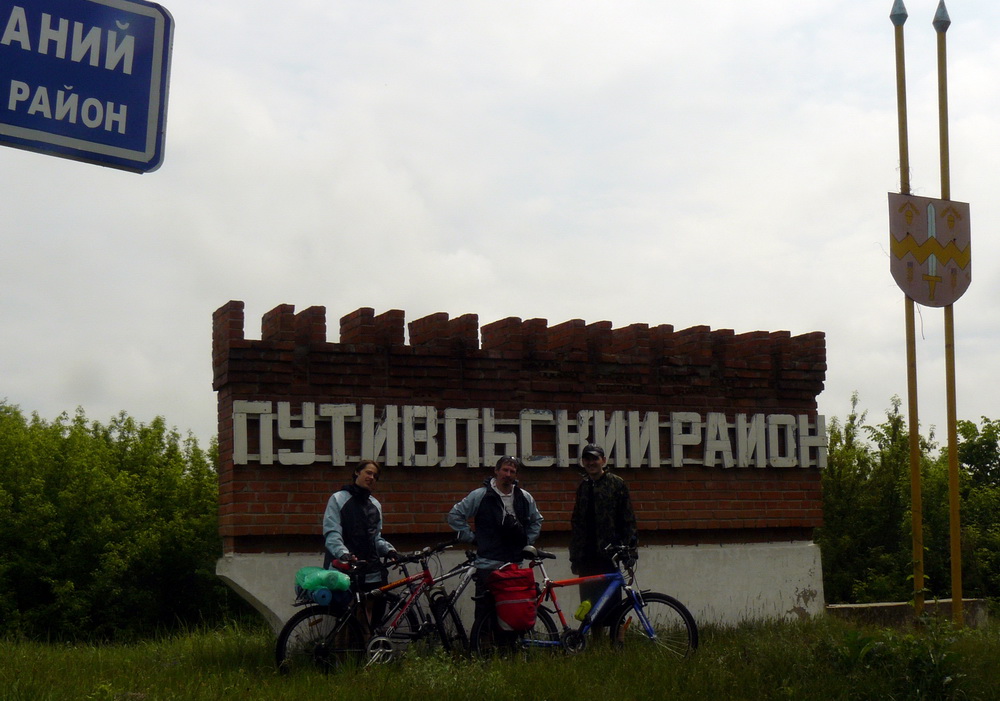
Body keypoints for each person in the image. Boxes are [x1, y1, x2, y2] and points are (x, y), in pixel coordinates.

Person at [447, 455, 544, 628]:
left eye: (512, 471)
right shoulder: (480, 495)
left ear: (516, 475)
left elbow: (537, 520)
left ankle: (509, 644)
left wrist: (526, 542)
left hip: (514, 566)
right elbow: (455, 516)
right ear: (496, 471)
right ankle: (483, 643)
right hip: (487, 565)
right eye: (505, 470)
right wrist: (473, 538)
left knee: (511, 614)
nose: (508, 474)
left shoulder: (524, 497)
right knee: (484, 615)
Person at [323, 460, 397, 628]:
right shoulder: (338, 499)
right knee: (344, 618)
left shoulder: (375, 505)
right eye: (368, 473)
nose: (371, 477)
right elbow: (332, 533)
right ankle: (345, 646)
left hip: (370, 570)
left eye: (375, 476)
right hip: (344, 569)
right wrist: (344, 554)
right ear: (357, 472)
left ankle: (365, 644)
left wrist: (389, 550)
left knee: (368, 615)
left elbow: (376, 538)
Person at [569, 444, 638, 621]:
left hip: (609, 555)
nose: (591, 463)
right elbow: (577, 523)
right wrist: (575, 556)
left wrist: (630, 551)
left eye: (595, 459)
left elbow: (628, 520)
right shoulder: (583, 487)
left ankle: (616, 637)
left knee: (613, 607)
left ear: (604, 461)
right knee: (589, 605)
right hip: (587, 556)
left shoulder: (616, 483)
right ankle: (594, 636)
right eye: (587, 459)